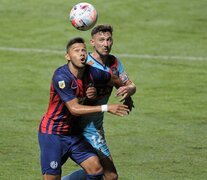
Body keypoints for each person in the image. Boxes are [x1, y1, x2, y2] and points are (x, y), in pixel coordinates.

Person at [38, 37, 129, 180]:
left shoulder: (92, 72)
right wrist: (106, 107)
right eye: (76, 51)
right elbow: (74, 108)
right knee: (52, 177)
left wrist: (127, 93)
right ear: (68, 56)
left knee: (96, 169)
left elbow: (113, 79)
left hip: (72, 134)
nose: (81, 54)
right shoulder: (61, 77)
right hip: (53, 133)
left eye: (83, 50)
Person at [62, 25, 136, 180]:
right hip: (79, 125)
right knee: (109, 175)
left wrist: (128, 93)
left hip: (95, 126)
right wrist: (86, 96)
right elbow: (69, 95)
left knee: (103, 173)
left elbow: (128, 84)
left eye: (109, 40)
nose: (106, 44)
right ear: (92, 42)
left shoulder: (114, 63)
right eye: (101, 40)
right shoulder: (84, 63)